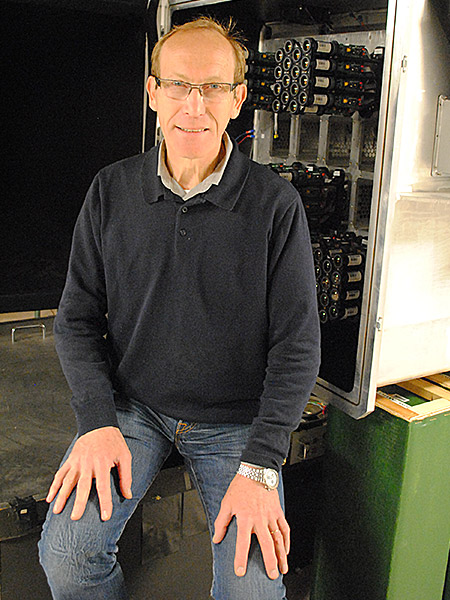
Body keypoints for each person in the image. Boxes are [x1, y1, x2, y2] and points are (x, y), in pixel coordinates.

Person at [38, 16, 320, 600]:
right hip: (134, 409)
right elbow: (77, 319)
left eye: (213, 87)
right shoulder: (111, 191)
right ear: (153, 92)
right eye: (178, 85)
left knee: (253, 592)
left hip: (237, 424)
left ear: (238, 99)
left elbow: (297, 346)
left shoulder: (276, 205)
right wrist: (95, 421)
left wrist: (263, 463)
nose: (194, 105)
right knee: (66, 556)